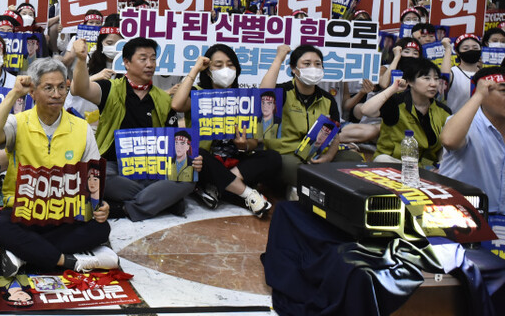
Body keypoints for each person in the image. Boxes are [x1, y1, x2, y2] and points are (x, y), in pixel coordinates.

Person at [0, 59, 116, 273]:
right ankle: (67, 260)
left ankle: (24, 255)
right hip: (23, 212)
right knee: (1, 227)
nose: (57, 94)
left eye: (61, 87)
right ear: (33, 92)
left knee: (100, 228)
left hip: (64, 212)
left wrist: (100, 205)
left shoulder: (81, 127)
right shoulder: (18, 122)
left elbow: (93, 175)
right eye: (48, 88)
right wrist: (14, 94)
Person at [71, 37, 201, 221]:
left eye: (153, 59)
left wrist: (190, 159)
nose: (150, 64)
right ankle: (163, 200)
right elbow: (80, 89)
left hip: (152, 168)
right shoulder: (110, 89)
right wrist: (81, 59)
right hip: (113, 167)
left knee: (188, 179)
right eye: (143, 58)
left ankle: (124, 208)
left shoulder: (164, 100)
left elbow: (173, 146)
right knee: (93, 177)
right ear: (126, 63)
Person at [173, 46, 280, 217]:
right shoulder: (197, 93)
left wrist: (244, 145)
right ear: (208, 71)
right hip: (206, 162)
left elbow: (253, 141)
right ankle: (248, 194)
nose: (225, 70)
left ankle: (218, 186)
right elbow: (176, 105)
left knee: (273, 158)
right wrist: (195, 69)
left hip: (236, 163)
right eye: (218, 65)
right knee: (194, 153)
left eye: (230, 65)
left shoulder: (245, 97)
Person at [261, 44, 362, 191]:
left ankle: (322, 187)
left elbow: (336, 136)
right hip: (287, 153)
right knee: (300, 171)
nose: (313, 68)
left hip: (317, 152)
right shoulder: (283, 92)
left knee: (354, 160)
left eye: (318, 64)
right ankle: (312, 189)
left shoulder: (327, 99)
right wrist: (279, 58)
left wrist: (328, 157)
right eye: (307, 64)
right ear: (294, 69)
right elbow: (263, 94)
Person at [359, 58, 451, 166]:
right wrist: (393, 89)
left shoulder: (443, 111)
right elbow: (365, 110)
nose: (434, 84)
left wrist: (441, 165)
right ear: (410, 81)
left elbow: (443, 147)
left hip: (426, 168)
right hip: (394, 163)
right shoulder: (396, 102)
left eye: (436, 79)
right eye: (427, 78)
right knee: (382, 159)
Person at [440, 67, 505, 213]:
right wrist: (478, 95)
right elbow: (449, 140)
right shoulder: (467, 123)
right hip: (460, 214)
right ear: (484, 93)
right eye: (503, 91)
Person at [446, 34, 483, 114]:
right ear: (457, 52)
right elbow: (444, 79)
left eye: (475, 48)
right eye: (466, 48)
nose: (471, 50)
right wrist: (448, 49)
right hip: (455, 119)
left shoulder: (485, 74)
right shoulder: (453, 73)